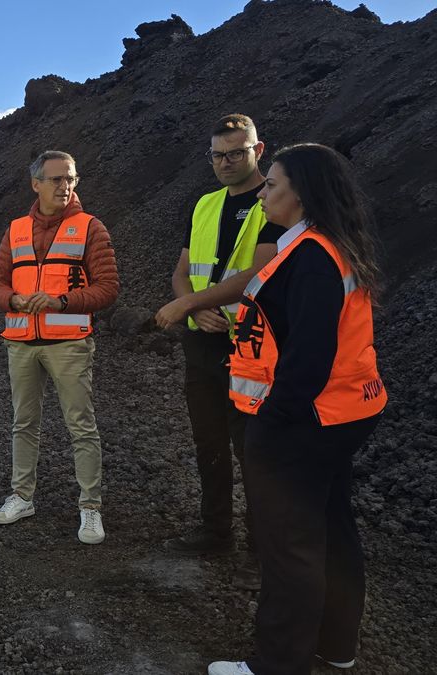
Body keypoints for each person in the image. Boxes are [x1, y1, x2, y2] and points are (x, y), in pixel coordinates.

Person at [208, 143, 387, 675]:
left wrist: (273, 419)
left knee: (288, 546)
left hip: (303, 422)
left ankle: (277, 664)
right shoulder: (328, 246)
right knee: (332, 529)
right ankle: (335, 647)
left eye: (273, 185)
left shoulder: (310, 258)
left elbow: (308, 358)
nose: (263, 193)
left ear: (300, 194)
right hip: (342, 414)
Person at [154, 114, 285, 590]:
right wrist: (194, 307)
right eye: (218, 155)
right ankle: (216, 530)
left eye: (236, 152)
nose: (226, 162)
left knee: (252, 447)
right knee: (207, 440)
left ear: (258, 150)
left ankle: (261, 546)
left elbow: (258, 273)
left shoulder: (273, 203)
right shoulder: (206, 204)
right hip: (203, 341)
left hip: (250, 345)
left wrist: (190, 303)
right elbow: (183, 269)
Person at [0, 150, 119, 544]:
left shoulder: (91, 228)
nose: (65, 186)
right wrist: (12, 301)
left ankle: (90, 508)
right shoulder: (15, 230)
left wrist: (62, 302)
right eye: (57, 179)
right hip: (22, 343)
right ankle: (22, 497)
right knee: (23, 423)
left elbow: (108, 288)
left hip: (69, 344)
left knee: (81, 425)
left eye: (71, 179)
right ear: (36, 184)